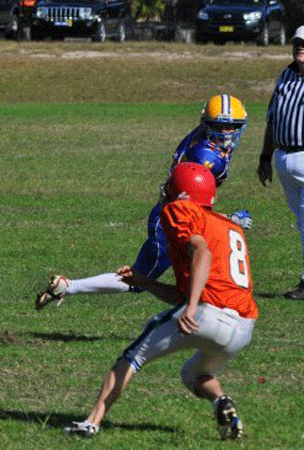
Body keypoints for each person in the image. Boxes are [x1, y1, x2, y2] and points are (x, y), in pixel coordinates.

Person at [64, 162, 257, 440]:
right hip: (243, 328)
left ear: (182, 193)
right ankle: (221, 402)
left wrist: (192, 307)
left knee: (133, 357)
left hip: (207, 312)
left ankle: (91, 423)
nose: (166, 191)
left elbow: (201, 252)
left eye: (171, 186)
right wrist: (144, 282)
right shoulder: (228, 226)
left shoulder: (179, 209)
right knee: (193, 375)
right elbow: (183, 291)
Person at [37, 94, 250, 310]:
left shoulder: (207, 142)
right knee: (138, 279)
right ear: (208, 124)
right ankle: (68, 286)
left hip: (175, 211)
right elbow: (190, 209)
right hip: (173, 221)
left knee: (206, 267)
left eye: (232, 126)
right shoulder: (206, 158)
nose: (227, 132)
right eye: (220, 126)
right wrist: (228, 220)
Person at [258, 25, 304, 300]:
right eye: (297, 42)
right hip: (283, 157)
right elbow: (272, 119)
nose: (300, 47)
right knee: (300, 221)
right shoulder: (285, 75)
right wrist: (265, 156)